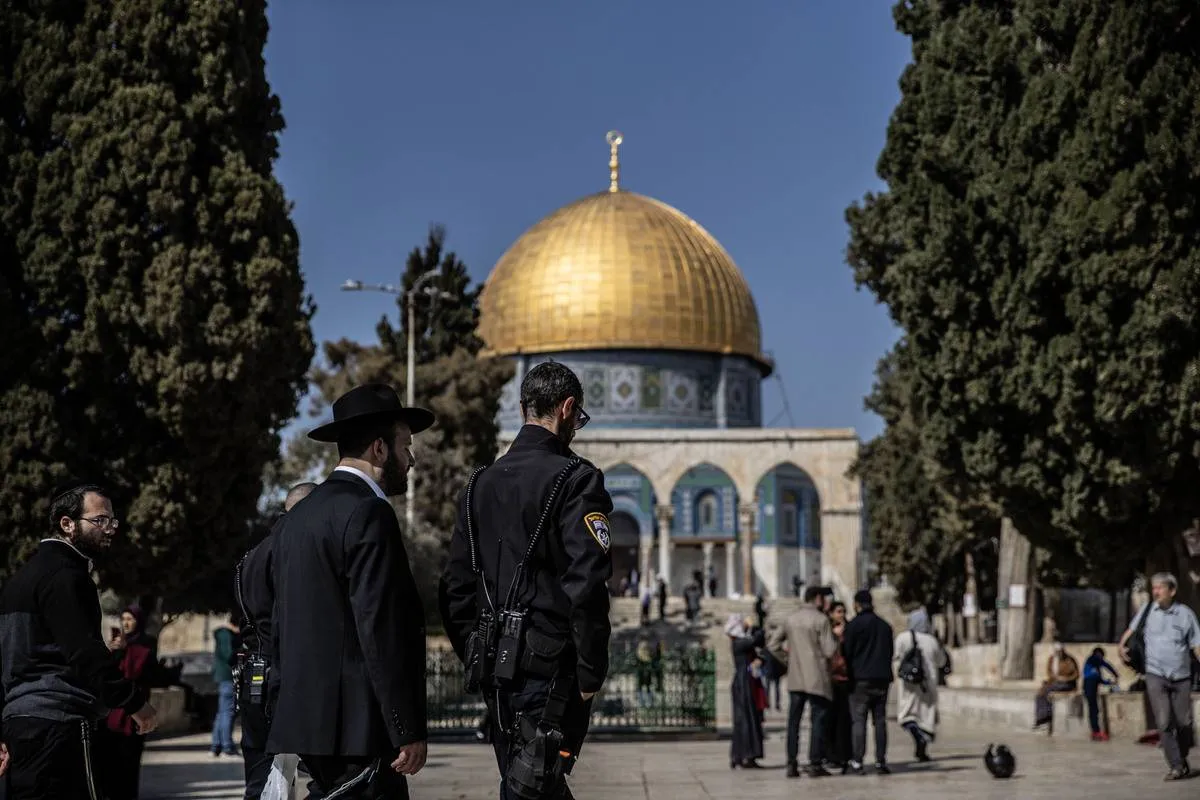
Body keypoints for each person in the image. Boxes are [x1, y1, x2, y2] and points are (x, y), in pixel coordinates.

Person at [439, 362, 613, 800]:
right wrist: (591, 671)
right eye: (578, 419)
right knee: (532, 783)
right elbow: (587, 585)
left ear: (522, 408)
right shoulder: (577, 479)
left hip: (497, 674)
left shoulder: (480, 482)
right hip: (551, 675)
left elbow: (456, 589)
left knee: (527, 780)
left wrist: (480, 656)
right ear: (568, 409)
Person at [269, 383, 434, 798]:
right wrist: (405, 726)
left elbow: (281, 622)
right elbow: (380, 628)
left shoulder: (299, 517)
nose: (411, 458)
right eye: (405, 445)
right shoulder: (368, 512)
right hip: (361, 731)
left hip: (311, 726)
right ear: (379, 449)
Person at [0, 480, 157, 798]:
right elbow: (85, 654)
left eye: (112, 520)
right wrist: (135, 703)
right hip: (60, 726)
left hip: (21, 726)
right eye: (100, 520)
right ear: (68, 524)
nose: (110, 528)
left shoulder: (23, 578)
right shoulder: (66, 577)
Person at [235, 481, 316, 799]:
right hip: (285, 674)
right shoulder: (292, 551)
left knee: (260, 780)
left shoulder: (251, 555)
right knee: (325, 779)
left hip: (253, 672)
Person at [1120, 572, 1200, 781]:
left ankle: (1181, 759)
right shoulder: (1147, 611)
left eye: (1160, 588)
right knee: (1164, 722)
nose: (1155, 591)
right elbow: (1131, 630)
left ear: (1172, 591)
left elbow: (1196, 644)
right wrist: (1121, 646)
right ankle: (1175, 765)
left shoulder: (1185, 614)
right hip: (1155, 674)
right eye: (1154, 587)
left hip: (1181, 676)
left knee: (1184, 722)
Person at [770, 586, 838, 778]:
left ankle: (791, 762)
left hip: (796, 676)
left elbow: (773, 644)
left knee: (794, 722)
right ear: (817, 599)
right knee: (817, 720)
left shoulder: (791, 618)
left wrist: (788, 660)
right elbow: (829, 650)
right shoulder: (821, 619)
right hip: (817, 676)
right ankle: (815, 762)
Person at [95, 605, 159, 800]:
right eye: (123, 619)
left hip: (133, 718)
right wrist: (114, 652)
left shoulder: (145, 647)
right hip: (110, 720)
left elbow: (136, 675)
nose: (126, 623)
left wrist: (127, 651)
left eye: (130, 619)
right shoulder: (116, 647)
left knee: (128, 770)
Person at [841, 588, 894, 775]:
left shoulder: (853, 626)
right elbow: (889, 652)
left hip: (859, 680)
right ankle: (881, 761)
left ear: (856, 605)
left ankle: (858, 761)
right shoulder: (885, 626)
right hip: (881, 679)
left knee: (859, 721)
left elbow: (846, 652)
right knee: (879, 721)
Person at [892, 608, 947, 762]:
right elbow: (941, 661)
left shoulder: (903, 638)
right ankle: (922, 746)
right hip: (927, 684)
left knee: (907, 716)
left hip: (909, 683)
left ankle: (918, 739)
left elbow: (896, 656)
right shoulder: (932, 640)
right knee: (926, 718)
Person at [725, 615, 765, 769]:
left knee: (750, 718)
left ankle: (744, 755)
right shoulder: (739, 643)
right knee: (744, 719)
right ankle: (744, 754)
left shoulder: (741, 643)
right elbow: (758, 638)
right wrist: (754, 626)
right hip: (744, 684)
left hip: (748, 681)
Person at [826, 602, 852, 768]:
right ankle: (830, 754)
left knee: (844, 719)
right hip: (830, 678)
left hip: (845, 678)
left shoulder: (849, 630)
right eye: (838, 611)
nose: (841, 615)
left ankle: (844, 754)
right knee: (830, 719)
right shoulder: (826, 630)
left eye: (843, 611)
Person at [211, 615, 240, 757]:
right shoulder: (227, 635)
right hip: (228, 676)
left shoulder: (223, 634)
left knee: (222, 711)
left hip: (222, 676)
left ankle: (216, 744)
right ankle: (226, 746)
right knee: (228, 711)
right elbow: (229, 654)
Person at [1034, 643, 1079, 729]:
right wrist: (1055, 677)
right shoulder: (1052, 659)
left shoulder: (1069, 660)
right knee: (1040, 693)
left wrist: (1065, 678)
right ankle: (1041, 716)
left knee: (1048, 690)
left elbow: (1076, 674)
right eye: (1057, 651)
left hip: (1067, 683)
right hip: (1055, 682)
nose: (1058, 653)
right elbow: (1049, 671)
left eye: (1060, 651)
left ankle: (1046, 716)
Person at [1083, 646, 1120, 741]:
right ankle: (1096, 731)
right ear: (1097, 654)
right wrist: (1115, 674)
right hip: (1089, 687)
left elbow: (1099, 679)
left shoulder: (1094, 666)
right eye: (1101, 656)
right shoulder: (1092, 660)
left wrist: (1109, 683)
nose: (1102, 658)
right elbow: (1105, 665)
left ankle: (1096, 731)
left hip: (1091, 687)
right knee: (1093, 710)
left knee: (1094, 710)